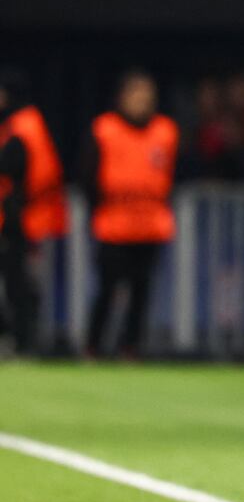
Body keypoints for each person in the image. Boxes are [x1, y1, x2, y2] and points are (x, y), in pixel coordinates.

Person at [83, 71, 178, 358]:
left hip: (150, 224)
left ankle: (131, 348)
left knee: (142, 291)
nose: (142, 101)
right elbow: (87, 176)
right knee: (107, 289)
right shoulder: (105, 129)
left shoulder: (165, 131)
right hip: (114, 223)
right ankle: (93, 347)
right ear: (122, 97)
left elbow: (174, 174)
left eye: (147, 95)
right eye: (136, 94)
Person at [0, 70, 68, 354]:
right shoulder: (26, 123)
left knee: (19, 285)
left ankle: (22, 342)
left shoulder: (21, 126)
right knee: (20, 284)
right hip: (23, 218)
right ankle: (21, 340)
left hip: (17, 220)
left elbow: (13, 168)